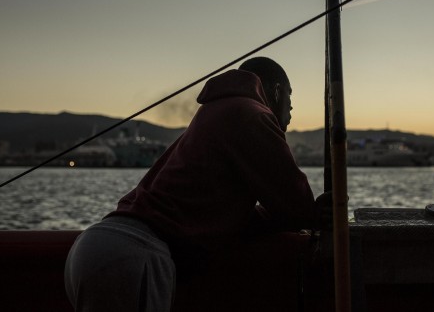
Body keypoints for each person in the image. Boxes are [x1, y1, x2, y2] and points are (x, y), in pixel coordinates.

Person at [64, 57, 317, 311]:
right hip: (134, 257)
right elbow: (297, 206)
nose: (292, 108)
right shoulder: (254, 114)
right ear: (276, 91)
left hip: (93, 246)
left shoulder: (214, 114)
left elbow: (230, 217)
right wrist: (318, 212)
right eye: (290, 96)